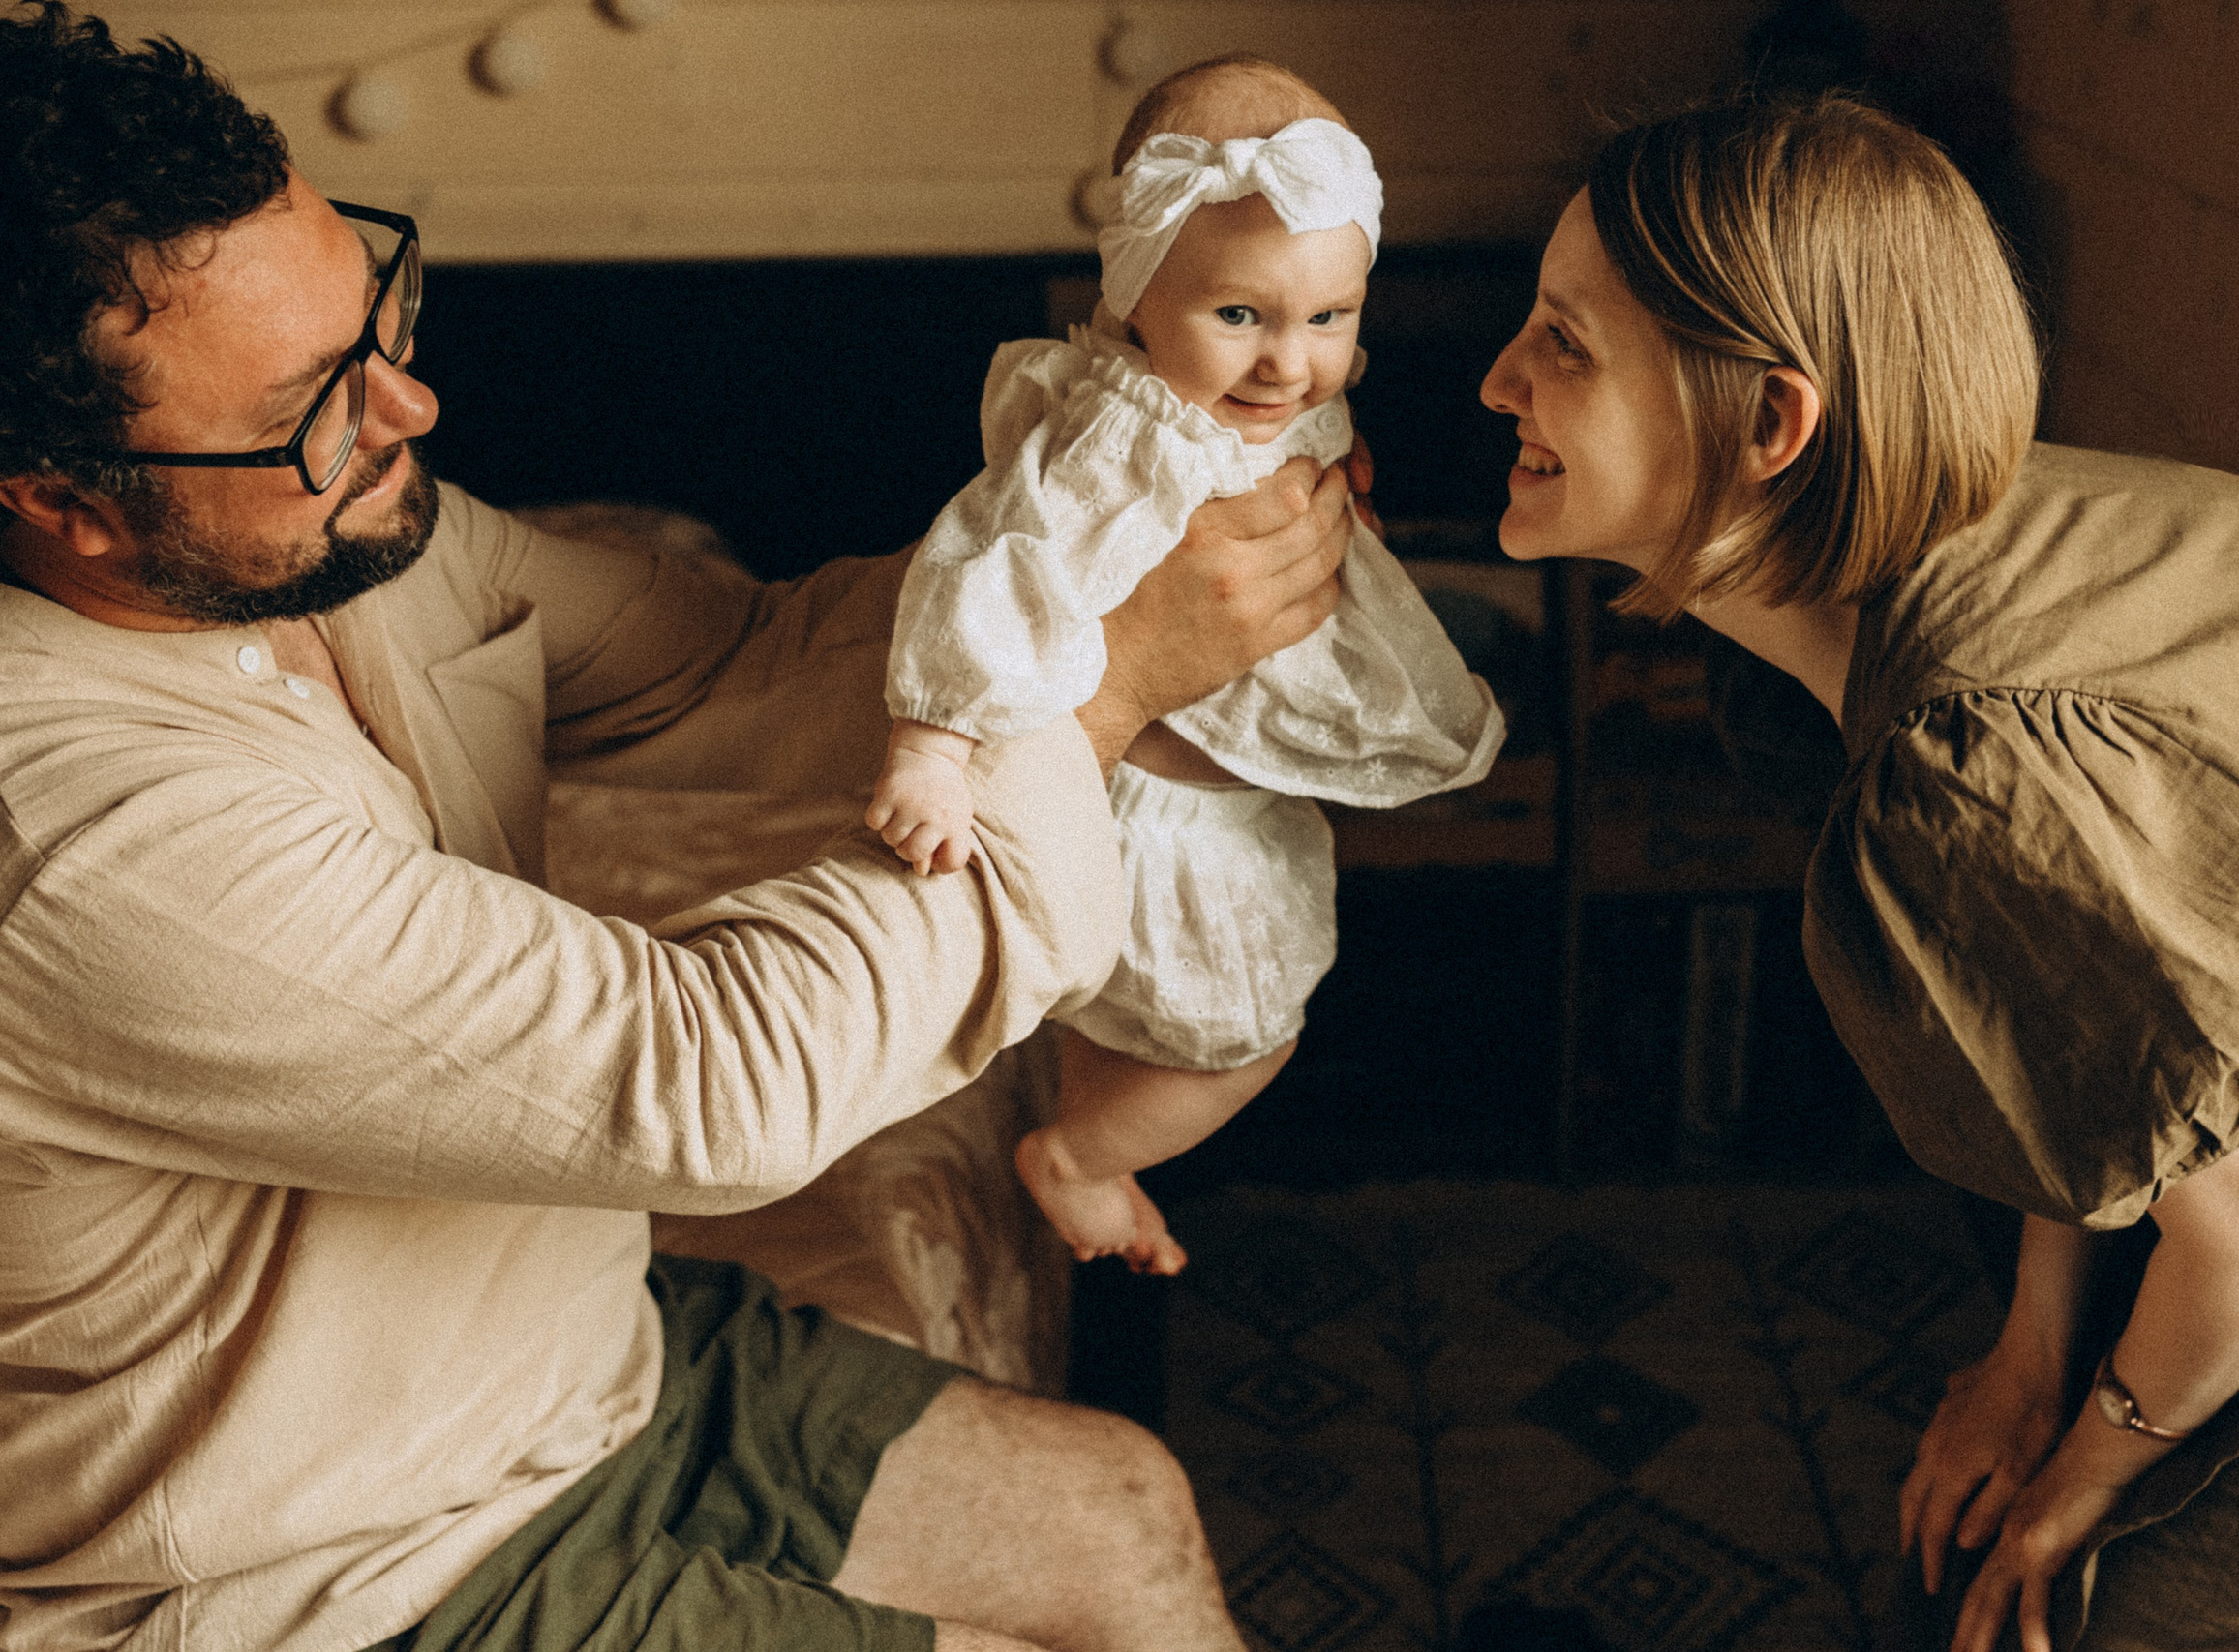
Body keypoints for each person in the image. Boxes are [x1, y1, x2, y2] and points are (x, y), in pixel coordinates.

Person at [0, 6, 1361, 1649]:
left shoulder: (330, 540)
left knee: (1121, 1503)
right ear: (60, 498)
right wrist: (1097, 694)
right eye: (315, 405)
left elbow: (737, 657)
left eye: (381, 315)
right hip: (313, 1577)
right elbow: (716, 1082)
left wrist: (1074, 581)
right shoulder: (79, 834)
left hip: (568, 1381)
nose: (409, 408)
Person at [1479, 90, 2239, 1652]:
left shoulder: (1987, 748)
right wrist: (2028, 1351)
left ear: (1769, 425)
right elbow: (2079, 1020)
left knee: (2068, 1612)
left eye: (1564, 343)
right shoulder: (1904, 568)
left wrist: (2086, 1473)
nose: (1498, 381)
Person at [867, 56, 1502, 1276]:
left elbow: (1303, 386)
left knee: (1137, 1035)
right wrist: (934, 740)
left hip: (1209, 794)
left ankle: (1085, 1120)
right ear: (1136, 298)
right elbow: (996, 556)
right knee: (1243, 1041)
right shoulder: (1131, 436)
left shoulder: (1225, 392)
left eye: (1330, 318)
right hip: (1167, 824)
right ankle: (1077, 1160)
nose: (1287, 365)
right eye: (1241, 317)